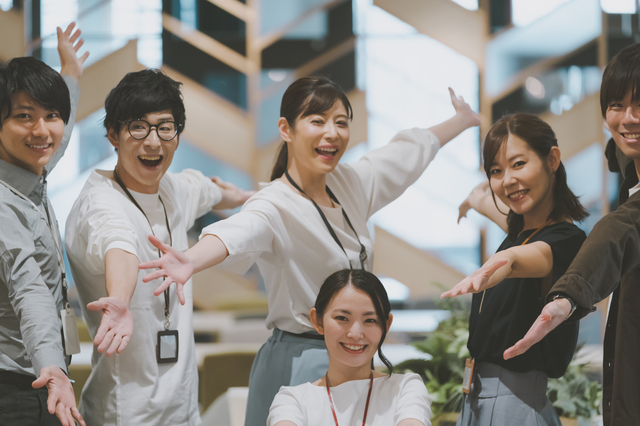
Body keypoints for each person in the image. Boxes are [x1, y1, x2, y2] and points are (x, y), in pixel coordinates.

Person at [139, 75, 479, 426]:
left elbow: (404, 154)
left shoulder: (349, 183)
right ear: (286, 129)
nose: (332, 132)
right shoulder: (274, 202)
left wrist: (461, 120)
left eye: (341, 122)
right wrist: (191, 260)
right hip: (302, 359)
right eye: (317, 121)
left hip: (354, 352)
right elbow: (239, 231)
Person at [64, 69, 253, 426]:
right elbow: (119, 247)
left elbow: (212, 190)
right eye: (138, 127)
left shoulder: (174, 189)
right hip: (124, 413)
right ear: (112, 134)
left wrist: (245, 196)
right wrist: (120, 300)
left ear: (177, 135)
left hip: (183, 410)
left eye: (165, 128)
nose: (153, 142)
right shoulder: (99, 204)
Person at [501, 43, 640, 426]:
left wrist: (566, 298)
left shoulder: (626, 213)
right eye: (616, 105)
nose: (628, 118)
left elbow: (619, 231)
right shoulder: (628, 170)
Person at [441, 113, 588, 426]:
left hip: (513, 405)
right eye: (496, 170)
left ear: (552, 159)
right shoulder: (520, 231)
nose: (507, 180)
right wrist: (473, 200)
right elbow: (490, 205)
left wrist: (497, 266)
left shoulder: (566, 241)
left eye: (518, 164)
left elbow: (520, 259)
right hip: (477, 399)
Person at [0, 23, 88, 426]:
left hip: (38, 382)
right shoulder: (4, 202)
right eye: (24, 116)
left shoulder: (31, 172)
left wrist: (70, 74)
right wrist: (52, 366)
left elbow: (57, 138)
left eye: (51, 115)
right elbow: (28, 287)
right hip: (17, 390)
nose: (41, 130)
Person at [267, 269, 432, 426]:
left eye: (370, 320)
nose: (355, 333)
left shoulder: (404, 389)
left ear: (386, 325)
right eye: (342, 318)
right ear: (317, 321)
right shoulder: (293, 400)